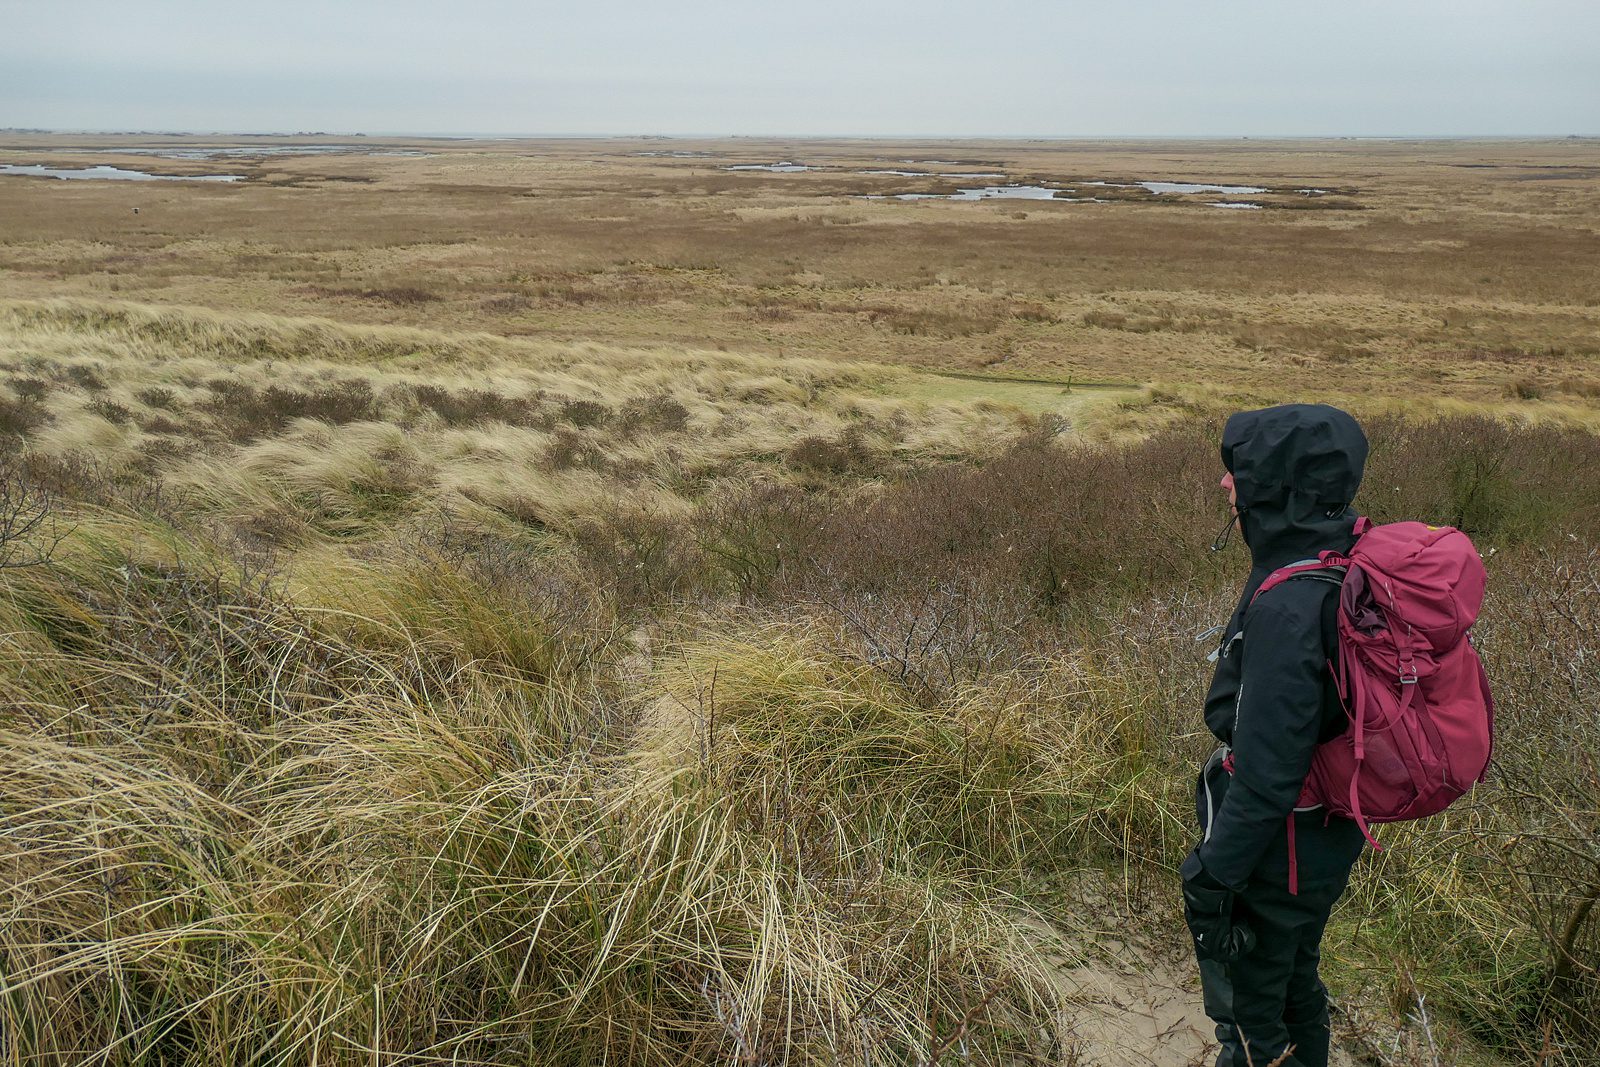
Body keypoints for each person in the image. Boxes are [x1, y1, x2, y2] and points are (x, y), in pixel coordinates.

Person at [1181, 403, 1370, 1067]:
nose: (1225, 484)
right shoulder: (1332, 558)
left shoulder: (1291, 606)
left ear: (1277, 483)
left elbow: (1267, 775)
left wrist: (1209, 874)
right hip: (1322, 836)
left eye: (1239, 470)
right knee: (1294, 983)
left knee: (1252, 1018)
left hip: (1279, 851)